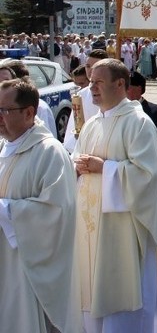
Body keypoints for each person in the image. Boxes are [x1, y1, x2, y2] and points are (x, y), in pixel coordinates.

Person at [73, 58, 157, 332]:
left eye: (98, 82)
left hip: (124, 230)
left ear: (120, 84)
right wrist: (75, 166)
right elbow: (78, 160)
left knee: (124, 312)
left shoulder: (139, 124)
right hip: (91, 227)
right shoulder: (91, 124)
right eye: (91, 83)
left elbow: (148, 178)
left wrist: (106, 168)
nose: (92, 89)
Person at [0, 79, 80, 333]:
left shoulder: (50, 153)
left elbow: (56, 211)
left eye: (4, 110)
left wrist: (5, 210)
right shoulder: (3, 147)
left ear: (29, 113)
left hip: (27, 266)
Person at [63, 48, 108, 153]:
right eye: (88, 66)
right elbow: (73, 129)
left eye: (95, 66)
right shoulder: (81, 95)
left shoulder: (114, 93)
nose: (90, 70)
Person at [127, 70, 157, 164]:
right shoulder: (119, 110)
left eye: (127, 87)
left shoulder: (155, 112)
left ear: (139, 88)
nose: (123, 91)